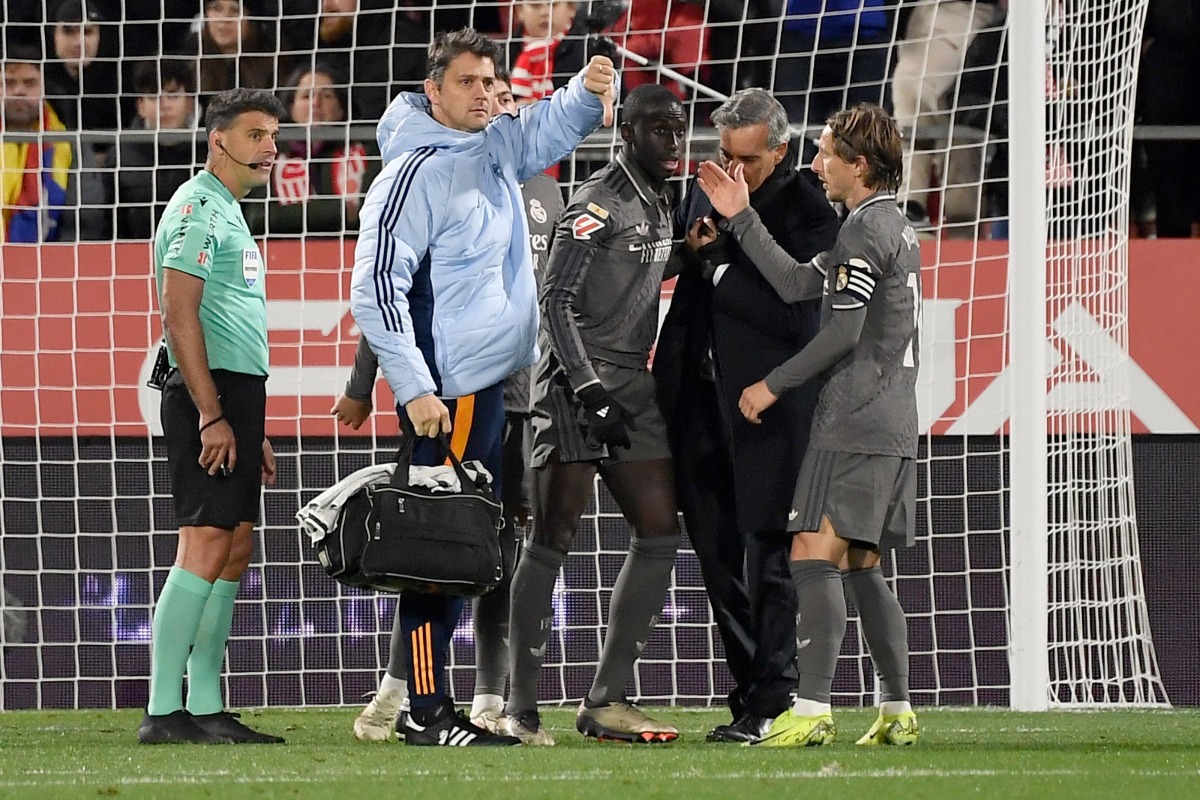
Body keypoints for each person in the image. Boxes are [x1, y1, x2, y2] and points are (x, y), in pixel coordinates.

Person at [347, 28, 613, 747]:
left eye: (487, 81)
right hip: (449, 391)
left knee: (463, 547)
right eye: (465, 82)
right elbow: (376, 288)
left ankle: (434, 704)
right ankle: (426, 712)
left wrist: (584, 95)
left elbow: (544, 127)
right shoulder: (415, 171)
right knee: (439, 545)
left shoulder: (492, 148)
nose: (481, 94)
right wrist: (413, 386)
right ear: (433, 92)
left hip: (488, 389)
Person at [696, 102, 921, 747]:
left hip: (852, 418)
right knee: (861, 563)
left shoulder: (858, 234)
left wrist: (772, 384)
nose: (817, 165)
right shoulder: (890, 227)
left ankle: (812, 706)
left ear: (859, 164)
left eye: (826, 154)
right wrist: (742, 219)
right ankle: (897, 707)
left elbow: (843, 332)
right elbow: (798, 284)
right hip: (895, 416)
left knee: (807, 555)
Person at [654, 88, 839, 744]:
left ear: (782, 152)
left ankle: (775, 697)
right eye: (723, 156)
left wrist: (723, 265)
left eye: (748, 161)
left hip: (771, 408)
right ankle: (748, 694)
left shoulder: (810, 208)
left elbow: (801, 315)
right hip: (699, 402)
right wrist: (693, 253)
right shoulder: (706, 190)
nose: (733, 172)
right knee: (716, 556)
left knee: (770, 555)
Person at [502, 83, 685, 746]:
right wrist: (588, 389)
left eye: (679, 129)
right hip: (573, 389)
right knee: (553, 537)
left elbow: (640, 274)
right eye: (660, 129)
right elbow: (555, 304)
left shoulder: (664, 201)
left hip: (632, 385)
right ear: (627, 131)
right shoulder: (595, 205)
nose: (674, 141)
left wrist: (696, 247)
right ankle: (520, 707)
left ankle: (607, 699)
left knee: (661, 530)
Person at [138, 87, 288, 746]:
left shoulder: (229, 211)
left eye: (274, 136)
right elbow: (179, 314)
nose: (272, 149)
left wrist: (250, 426)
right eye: (256, 135)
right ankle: (163, 710)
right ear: (217, 140)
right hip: (209, 397)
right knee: (204, 544)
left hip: (236, 398)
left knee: (233, 548)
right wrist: (211, 415)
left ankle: (205, 704)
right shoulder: (199, 207)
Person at [243, 62, 380, 235]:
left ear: (342, 105)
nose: (316, 103)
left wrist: (294, 215)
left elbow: (372, 214)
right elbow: (258, 217)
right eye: (307, 96)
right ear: (290, 107)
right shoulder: (267, 155)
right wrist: (342, 211)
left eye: (327, 96)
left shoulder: (368, 151)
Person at [117, 59, 203, 240]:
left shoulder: (213, 153)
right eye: (154, 97)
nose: (164, 105)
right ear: (140, 106)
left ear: (189, 102)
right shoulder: (120, 156)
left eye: (173, 95)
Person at [1, 39, 76, 243]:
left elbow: (84, 217)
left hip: (51, 257)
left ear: (44, 88)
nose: (19, 91)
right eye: (9, 83)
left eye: (29, 83)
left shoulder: (68, 141)